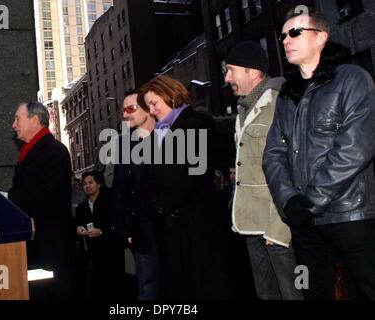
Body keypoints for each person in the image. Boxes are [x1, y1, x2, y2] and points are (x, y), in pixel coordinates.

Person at [263, 8, 375, 299]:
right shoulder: (287, 95)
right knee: (311, 292)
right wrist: (289, 200)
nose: (286, 40)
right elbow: (273, 153)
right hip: (305, 224)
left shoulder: (353, 79)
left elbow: (356, 147)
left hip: (351, 216)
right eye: (283, 35)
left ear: (321, 37)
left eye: (295, 32)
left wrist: (311, 200)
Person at [138, 75, 232, 299]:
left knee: (204, 285)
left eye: (154, 103)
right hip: (169, 226)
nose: (151, 111)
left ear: (170, 95)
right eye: (148, 106)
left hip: (197, 222)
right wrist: (157, 207)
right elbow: (146, 180)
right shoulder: (154, 137)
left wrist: (166, 203)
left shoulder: (199, 122)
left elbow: (196, 171)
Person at [225, 41, 302, 300]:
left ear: (253, 72)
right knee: (266, 295)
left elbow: (294, 168)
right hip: (251, 226)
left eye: (231, 70)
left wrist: (279, 228)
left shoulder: (281, 103)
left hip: (277, 226)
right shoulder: (243, 110)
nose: (227, 78)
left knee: (292, 294)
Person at [8, 101, 77, 299]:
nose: (13, 125)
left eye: (17, 119)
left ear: (35, 120)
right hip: (35, 243)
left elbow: (42, 193)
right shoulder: (28, 152)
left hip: (53, 246)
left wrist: (7, 197)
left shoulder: (55, 151)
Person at [112, 90, 159, 300]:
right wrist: (124, 228)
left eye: (131, 109)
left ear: (148, 109)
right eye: (123, 110)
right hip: (141, 232)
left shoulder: (168, 135)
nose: (125, 114)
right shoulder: (123, 143)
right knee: (147, 287)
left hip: (169, 228)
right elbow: (119, 188)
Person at [75, 170, 125, 299]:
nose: (87, 186)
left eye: (90, 182)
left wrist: (102, 231)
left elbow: (118, 224)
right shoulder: (81, 207)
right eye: (84, 184)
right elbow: (77, 225)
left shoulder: (111, 200)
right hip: (90, 254)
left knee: (112, 288)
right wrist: (78, 229)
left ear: (98, 184)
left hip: (110, 252)